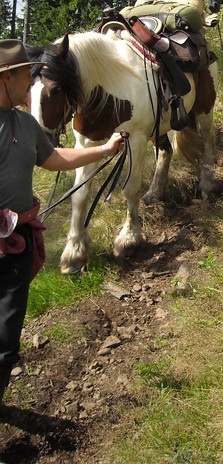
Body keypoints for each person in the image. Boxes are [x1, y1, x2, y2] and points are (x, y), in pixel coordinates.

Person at [0, 39, 125, 405]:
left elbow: (54, 158)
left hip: (17, 243)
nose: (31, 82)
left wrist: (103, 150)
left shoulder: (23, 122)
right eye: (26, 75)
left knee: (7, 340)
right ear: (6, 78)